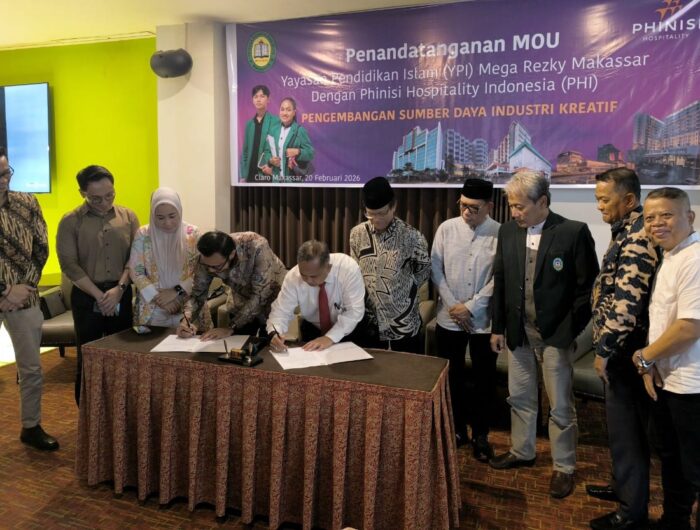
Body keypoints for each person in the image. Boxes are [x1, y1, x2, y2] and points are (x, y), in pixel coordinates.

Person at [489, 171, 599, 500]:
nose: (514, 213)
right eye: (512, 206)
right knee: (520, 396)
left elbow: (588, 289)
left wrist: (569, 328)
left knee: (560, 405)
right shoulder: (508, 232)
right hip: (518, 333)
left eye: (520, 206)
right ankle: (522, 451)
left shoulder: (572, 232)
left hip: (556, 336)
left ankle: (564, 466)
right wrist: (497, 327)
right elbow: (501, 281)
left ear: (542, 202)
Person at [587, 169, 660, 530]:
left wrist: (604, 351)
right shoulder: (626, 230)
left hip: (624, 350)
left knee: (628, 432)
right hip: (619, 348)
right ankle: (621, 487)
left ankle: (632, 513)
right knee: (619, 431)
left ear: (629, 200)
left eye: (605, 199)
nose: (599, 206)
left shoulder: (638, 237)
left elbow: (627, 306)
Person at [632, 187, 699, 530]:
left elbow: (690, 327)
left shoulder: (695, 258)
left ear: (690, 217)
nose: (657, 223)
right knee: (673, 460)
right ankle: (674, 522)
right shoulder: (672, 254)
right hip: (668, 378)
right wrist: (651, 364)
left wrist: (644, 357)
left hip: (692, 385)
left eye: (667, 215)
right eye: (650, 217)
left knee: (693, 467)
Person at [56, 165, 139, 405]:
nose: (104, 202)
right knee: (88, 358)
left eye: (109, 195)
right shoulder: (70, 221)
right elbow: (69, 265)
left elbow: (135, 258)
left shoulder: (128, 217)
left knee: (121, 356)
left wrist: (119, 290)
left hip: (120, 292)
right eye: (96, 198)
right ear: (82, 193)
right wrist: (99, 296)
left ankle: (120, 411)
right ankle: (88, 415)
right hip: (86, 295)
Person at [431, 178, 500, 461]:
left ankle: (481, 435)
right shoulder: (446, 228)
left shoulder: (500, 233)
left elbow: (499, 277)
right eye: (463, 205)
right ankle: (457, 429)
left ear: (489, 206)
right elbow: (436, 269)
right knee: (452, 378)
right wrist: (453, 306)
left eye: (474, 208)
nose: (466, 212)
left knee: (484, 380)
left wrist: (470, 307)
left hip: (483, 320)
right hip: (449, 318)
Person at [0, 147, 58, 450]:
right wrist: (4, 290)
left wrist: (24, 287)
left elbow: (41, 247)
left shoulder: (27, 202)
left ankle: (31, 426)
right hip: (8, 293)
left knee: (31, 369)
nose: (4, 180)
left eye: (6, 172)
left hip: (25, 296)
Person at [349, 176, 430, 353]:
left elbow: (423, 272)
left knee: (407, 367)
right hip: (369, 320)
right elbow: (354, 272)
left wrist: (400, 290)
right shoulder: (357, 234)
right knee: (372, 367)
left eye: (382, 213)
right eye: (371, 214)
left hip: (403, 321)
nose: (376, 219)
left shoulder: (412, 237)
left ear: (393, 206)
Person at [177, 231, 286, 340]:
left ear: (232, 254)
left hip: (272, 299)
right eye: (207, 266)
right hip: (241, 301)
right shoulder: (206, 258)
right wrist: (186, 320)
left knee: (269, 343)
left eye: (216, 267)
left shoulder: (256, 246)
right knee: (238, 343)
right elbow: (197, 295)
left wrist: (231, 327)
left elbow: (260, 295)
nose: (210, 270)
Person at [129, 187, 206, 329]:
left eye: (172, 216)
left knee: (189, 339)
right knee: (152, 342)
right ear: (153, 215)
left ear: (180, 211)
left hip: (188, 304)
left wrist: (176, 292)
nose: (167, 223)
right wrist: (159, 299)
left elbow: (202, 270)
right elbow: (136, 270)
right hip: (153, 307)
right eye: (160, 218)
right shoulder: (143, 234)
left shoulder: (192, 234)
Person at [267, 240, 365, 352]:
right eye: (303, 275)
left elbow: (353, 312)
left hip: (349, 329)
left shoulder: (348, 269)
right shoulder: (293, 277)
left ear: (328, 268)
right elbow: (281, 311)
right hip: (313, 328)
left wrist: (329, 338)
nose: (308, 280)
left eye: (314, 276)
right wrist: (275, 332)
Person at [260, 97, 314, 181]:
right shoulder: (273, 130)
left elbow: (310, 153)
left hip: (292, 181)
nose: (284, 113)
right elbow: (267, 151)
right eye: (282, 109)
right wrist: (270, 160)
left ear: (294, 112)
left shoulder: (300, 130)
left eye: (288, 110)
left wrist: (298, 151)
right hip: (276, 181)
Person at [239, 84, 281, 182]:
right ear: (252, 100)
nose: (258, 99)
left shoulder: (276, 121)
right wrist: (243, 175)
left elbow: (279, 148)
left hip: (266, 173)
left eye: (262, 96)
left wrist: (273, 170)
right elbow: (245, 152)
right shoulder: (249, 124)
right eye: (255, 97)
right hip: (250, 174)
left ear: (268, 99)